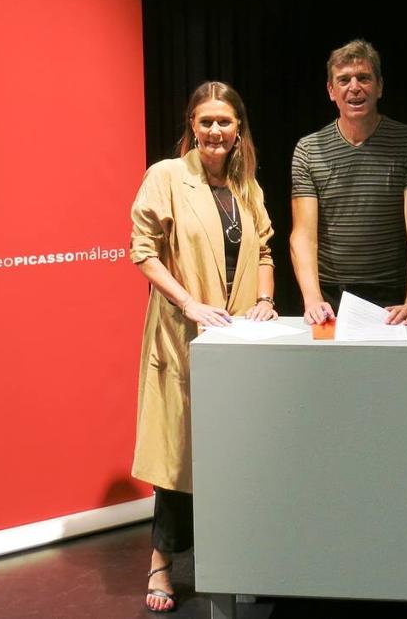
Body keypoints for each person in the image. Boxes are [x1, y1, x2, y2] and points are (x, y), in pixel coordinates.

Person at [128, 82, 277, 613]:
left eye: (226, 121)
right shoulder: (166, 177)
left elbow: (264, 248)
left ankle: (241, 560)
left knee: (237, 456)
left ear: (239, 129)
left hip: (236, 342)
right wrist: (190, 303)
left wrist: (264, 298)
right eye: (206, 121)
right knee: (180, 458)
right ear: (191, 124)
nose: (216, 131)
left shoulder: (245, 185)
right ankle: (161, 565)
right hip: (182, 338)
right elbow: (141, 252)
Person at [290, 38, 407, 325]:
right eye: (344, 80)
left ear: (379, 86)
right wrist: (312, 298)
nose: (354, 87)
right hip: (330, 298)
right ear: (331, 91)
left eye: (364, 78)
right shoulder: (308, 148)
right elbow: (303, 235)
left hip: (392, 297)